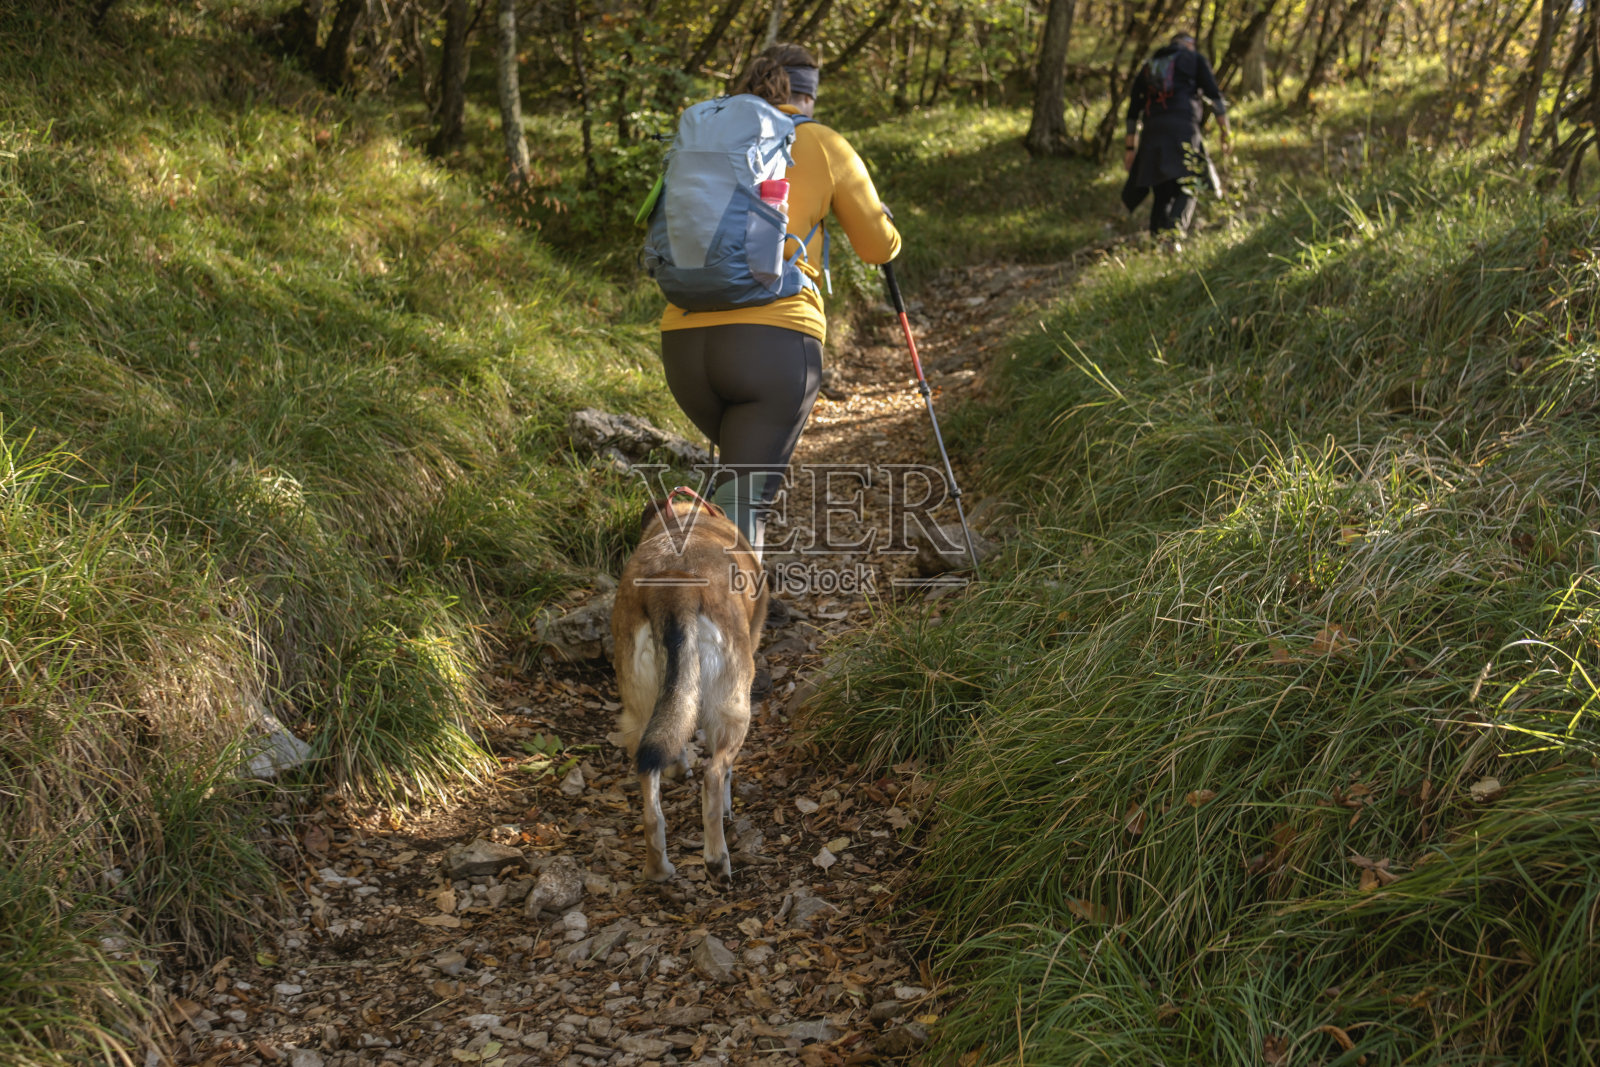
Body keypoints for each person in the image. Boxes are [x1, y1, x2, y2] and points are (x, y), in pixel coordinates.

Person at [657, 43, 901, 561]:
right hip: (771, 344)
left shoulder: (705, 141)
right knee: (743, 508)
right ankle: (728, 630)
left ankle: (690, 609)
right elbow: (877, 247)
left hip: (682, 343)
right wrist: (885, 220)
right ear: (808, 94)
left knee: (731, 489)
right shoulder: (821, 142)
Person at [1121, 32, 1231, 246]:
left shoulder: (1149, 65)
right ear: (1189, 44)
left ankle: (1158, 243)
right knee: (1191, 182)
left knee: (1161, 190)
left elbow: (1133, 111)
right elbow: (1214, 95)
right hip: (1183, 128)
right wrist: (1225, 132)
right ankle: (1174, 237)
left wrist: (1129, 148)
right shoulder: (1195, 59)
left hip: (1152, 132)